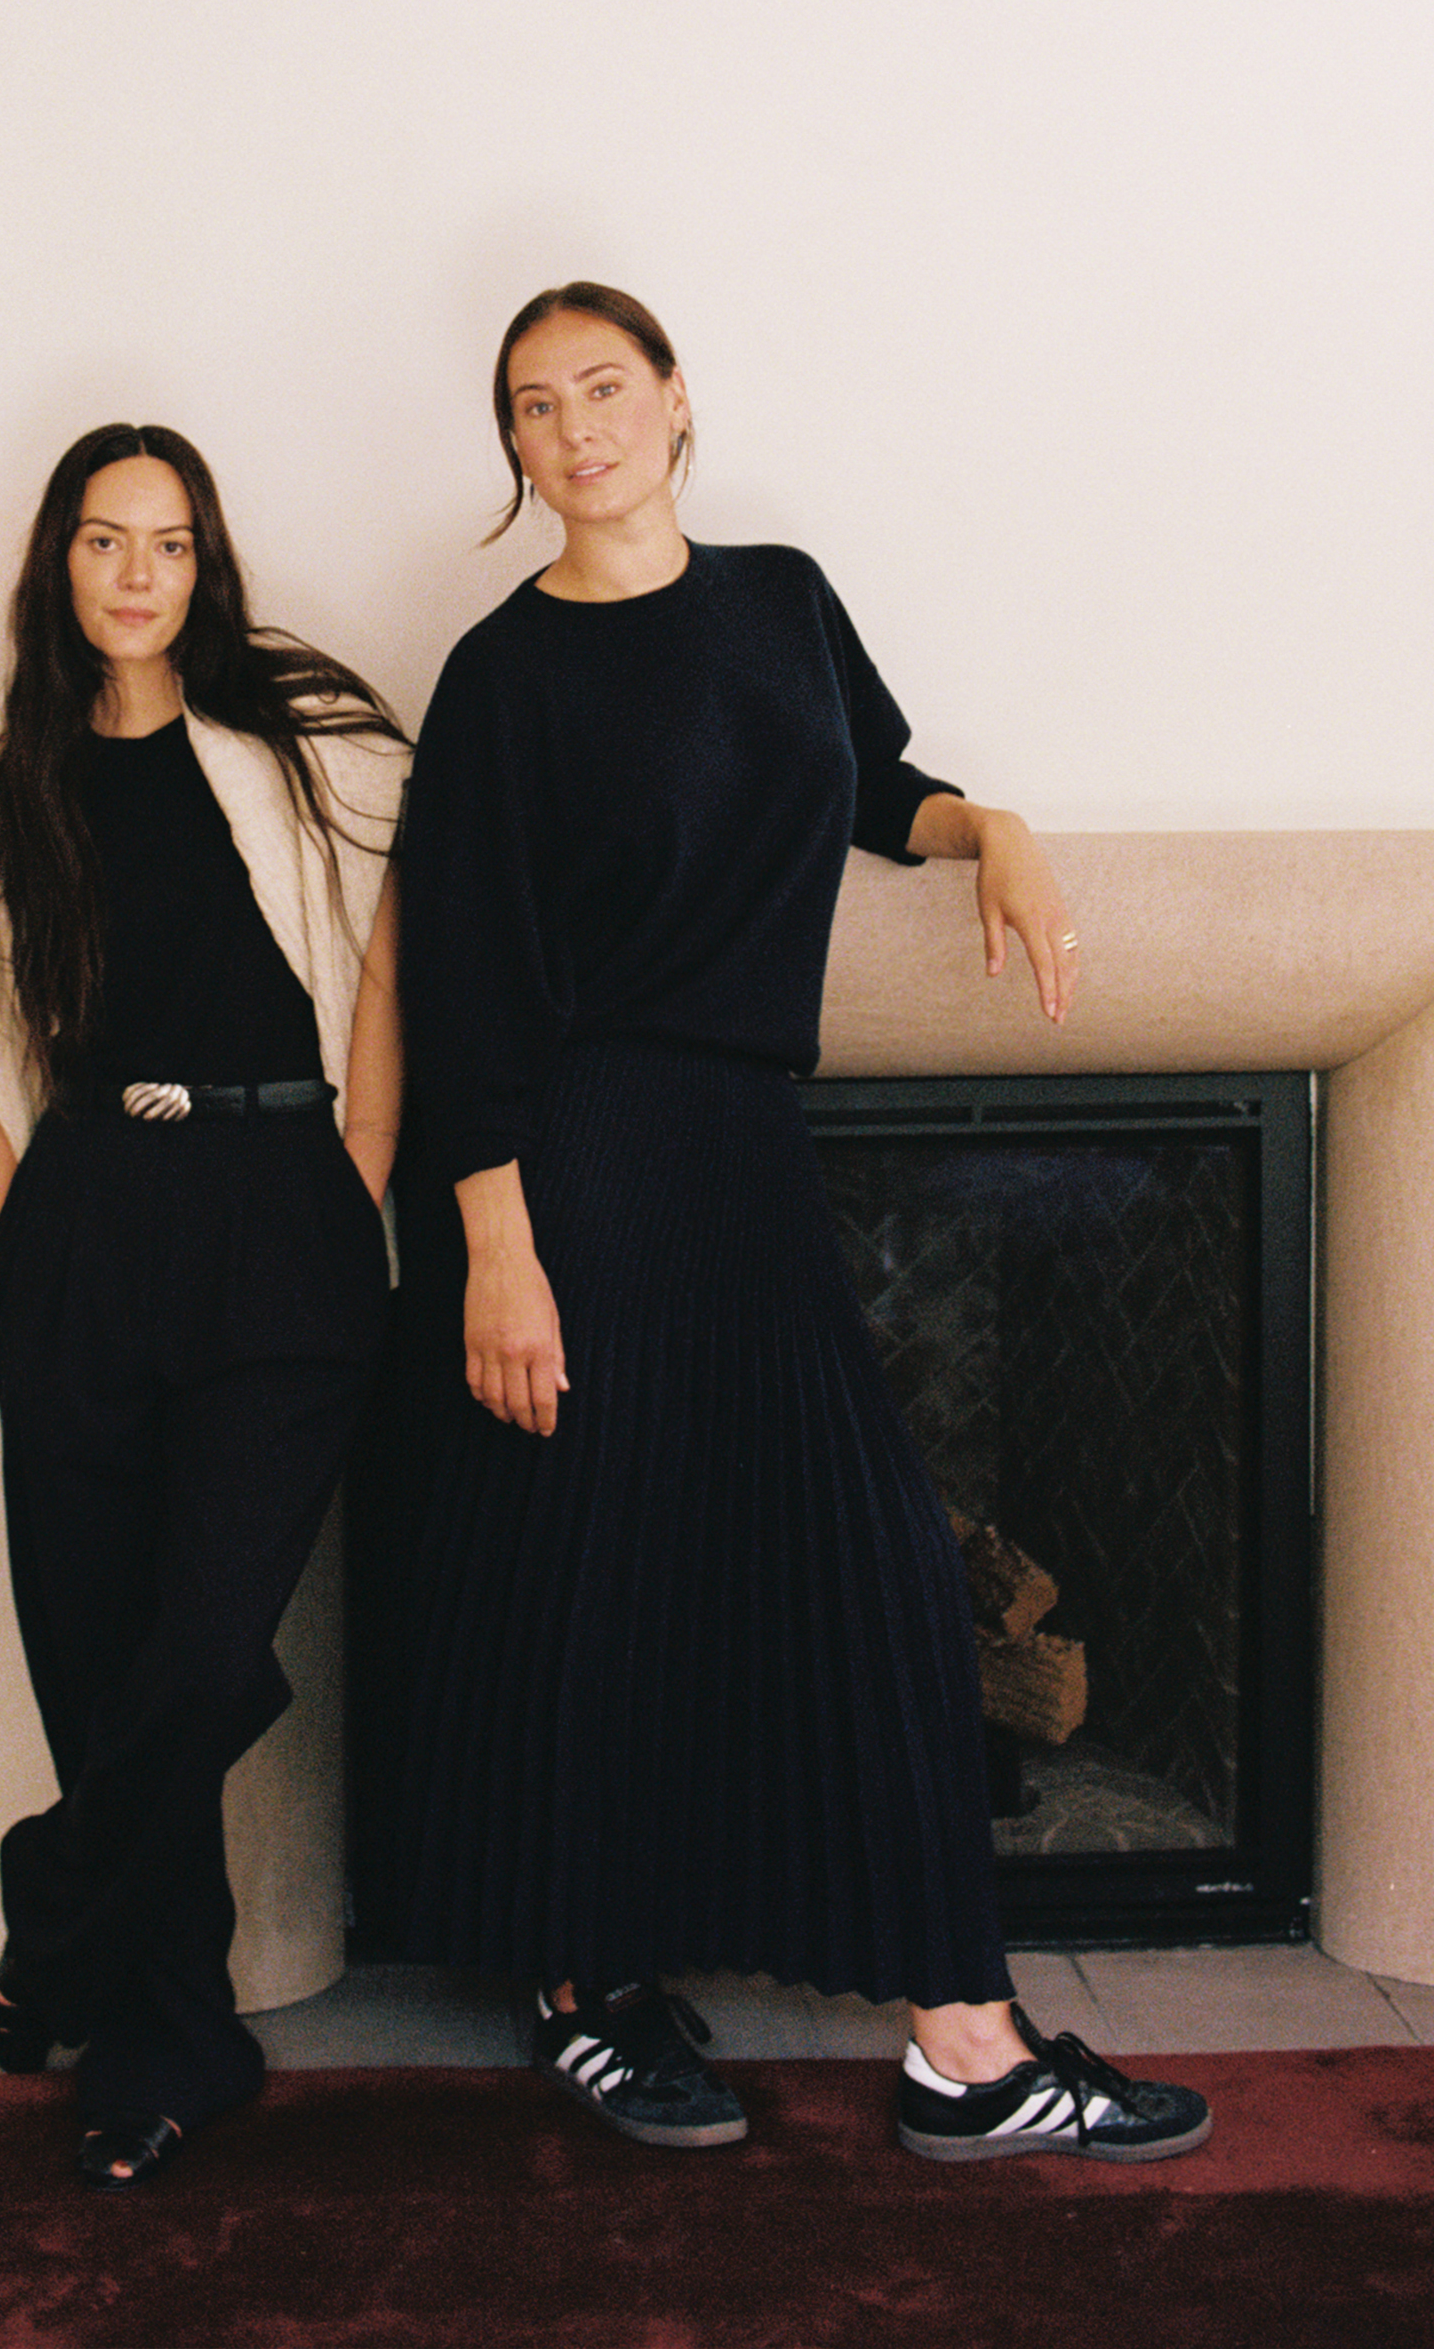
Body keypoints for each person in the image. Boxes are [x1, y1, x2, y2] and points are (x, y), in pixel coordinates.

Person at [392, 283, 1210, 2164]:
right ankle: (611, 1995)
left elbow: (875, 790)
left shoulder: (782, 598)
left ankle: (958, 2046)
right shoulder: (504, 676)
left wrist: (994, 825)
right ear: (511, 449)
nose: (576, 425)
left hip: (744, 1144)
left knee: (864, 1577)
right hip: (583, 1154)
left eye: (606, 386)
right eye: (535, 405)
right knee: (597, 1576)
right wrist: (497, 1249)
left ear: (677, 401)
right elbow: (474, 984)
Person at [0, 423, 407, 2189]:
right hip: (85, 1225)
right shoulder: (7, 792)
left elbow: (384, 958)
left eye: (173, 543)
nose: (138, 573)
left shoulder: (309, 754)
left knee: (206, 1646)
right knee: (97, 1648)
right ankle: (160, 2033)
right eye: (105, 541)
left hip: (278, 1213)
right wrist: (31, 1239)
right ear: (58, 569)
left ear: (209, 569)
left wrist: (356, 1167)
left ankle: (51, 1917)